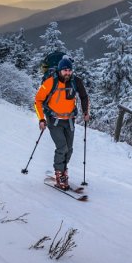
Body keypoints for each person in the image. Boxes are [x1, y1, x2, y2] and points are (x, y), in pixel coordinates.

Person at [34, 57, 90, 190]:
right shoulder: (50, 82)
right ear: (60, 70)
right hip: (54, 120)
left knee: (69, 150)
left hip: (69, 120)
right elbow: (38, 100)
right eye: (65, 70)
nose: (68, 73)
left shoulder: (75, 81)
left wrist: (86, 112)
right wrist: (41, 119)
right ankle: (59, 174)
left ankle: (63, 170)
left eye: (70, 70)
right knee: (62, 148)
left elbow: (84, 96)